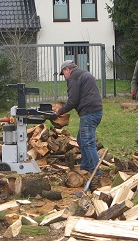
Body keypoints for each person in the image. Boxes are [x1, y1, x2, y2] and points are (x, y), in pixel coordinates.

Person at [56, 60, 103, 191]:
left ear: (67, 69)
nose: (64, 76)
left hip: (89, 112)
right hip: (95, 111)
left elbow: (72, 100)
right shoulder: (83, 74)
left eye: (63, 73)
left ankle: (96, 173)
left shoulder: (74, 77)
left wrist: (59, 111)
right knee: (82, 140)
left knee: (87, 142)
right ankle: (84, 169)